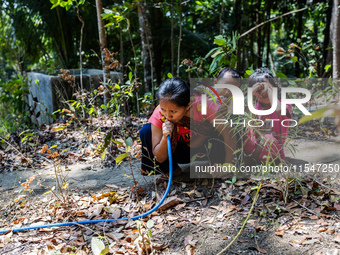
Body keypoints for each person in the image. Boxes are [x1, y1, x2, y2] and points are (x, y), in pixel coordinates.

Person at [139, 77, 237, 176]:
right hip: (177, 151)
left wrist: (227, 165)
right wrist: (165, 138)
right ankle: (171, 169)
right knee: (146, 131)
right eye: (163, 109)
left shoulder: (202, 105)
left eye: (173, 111)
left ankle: (217, 163)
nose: (167, 116)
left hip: (203, 149)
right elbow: (159, 158)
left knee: (219, 128)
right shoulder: (159, 113)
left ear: (188, 106)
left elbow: (228, 132)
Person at [244, 68, 292, 164]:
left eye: (266, 87)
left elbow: (278, 110)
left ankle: (252, 159)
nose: (263, 92)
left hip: (272, 152)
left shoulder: (283, 104)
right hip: (251, 149)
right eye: (259, 90)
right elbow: (239, 111)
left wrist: (270, 92)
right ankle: (250, 157)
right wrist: (250, 94)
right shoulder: (255, 107)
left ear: (276, 87)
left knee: (268, 139)